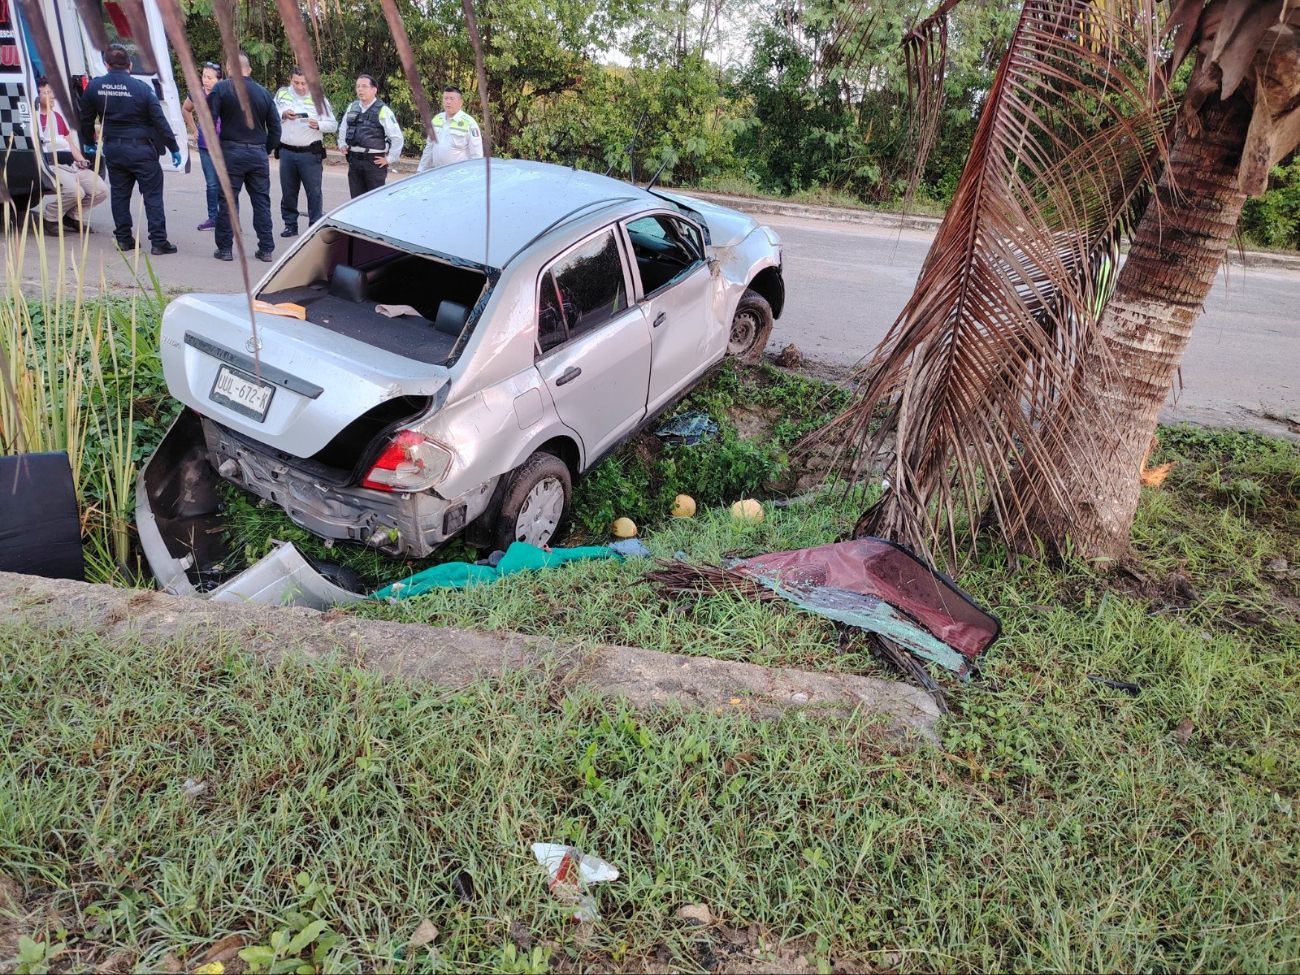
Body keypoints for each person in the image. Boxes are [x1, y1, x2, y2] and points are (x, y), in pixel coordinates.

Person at [80, 43, 180, 255]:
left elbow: (86, 120)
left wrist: (88, 142)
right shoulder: (142, 89)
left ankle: (124, 239)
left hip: (114, 149)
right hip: (142, 150)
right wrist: (174, 147)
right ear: (130, 65)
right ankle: (159, 242)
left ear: (106, 65)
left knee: (120, 195)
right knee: (152, 196)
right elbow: (160, 121)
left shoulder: (95, 87)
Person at [207, 51, 281, 263]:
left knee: (228, 202)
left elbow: (209, 120)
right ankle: (266, 249)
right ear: (249, 70)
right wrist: (264, 149)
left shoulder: (221, 88)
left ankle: (225, 249)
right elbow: (275, 127)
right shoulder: (263, 93)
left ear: (230, 69)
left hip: (231, 152)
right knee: (261, 203)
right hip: (257, 152)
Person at [35, 77, 108, 235]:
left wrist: (81, 160)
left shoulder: (57, 117)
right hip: (51, 165)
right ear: (36, 97)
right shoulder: (33, 119)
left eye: (52, 92)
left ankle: (72, 216)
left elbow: (70, 144)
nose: (52, 96)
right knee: (75, 192)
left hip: (71, 165)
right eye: (47, 93)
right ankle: (51, 217)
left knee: (101, 190)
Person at [274, 66, 337, 237]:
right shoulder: (282, 94)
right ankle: (290, 225)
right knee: (288, 191)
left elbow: (333, 124)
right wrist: (283, 114)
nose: (300, 87)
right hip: (286, 152)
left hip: (310, 153)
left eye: (304, 83)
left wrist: (319, 124)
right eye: (296, 82)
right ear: (290, 80)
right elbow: (271, 114)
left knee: (313, 192)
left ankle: (314, 226)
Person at [337, 75, 403, 198]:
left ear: (374, 90)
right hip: (354, 161)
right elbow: (343, 127)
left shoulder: (383, 110)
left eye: (364, 86)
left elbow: (397, 137)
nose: (360, 89)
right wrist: (342, 143)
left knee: (374, 201)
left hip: (374, 162)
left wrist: (390, 159)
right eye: (358, 86)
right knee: (356, 201)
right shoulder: (352, 107)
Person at [181, 62, 223, 231]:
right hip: (206, 145)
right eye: (204, 76)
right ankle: (213, 218)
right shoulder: (197, 94)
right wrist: (194, 129)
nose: (205, 80)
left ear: (219, 79)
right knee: (212, 184)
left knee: (227, 184)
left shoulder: (226, 92)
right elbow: (186, 109)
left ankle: (230, 218)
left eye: (210, 77)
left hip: (225, 145)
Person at [417, 85, 483, 172]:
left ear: (460, 102)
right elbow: (429, 148)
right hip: (435, 173)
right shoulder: (437, 119)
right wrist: (420, 170)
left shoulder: (469, 123)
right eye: (445, 98)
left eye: (452, 99)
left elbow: (476, 154)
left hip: (458, 175)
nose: (448, 102)